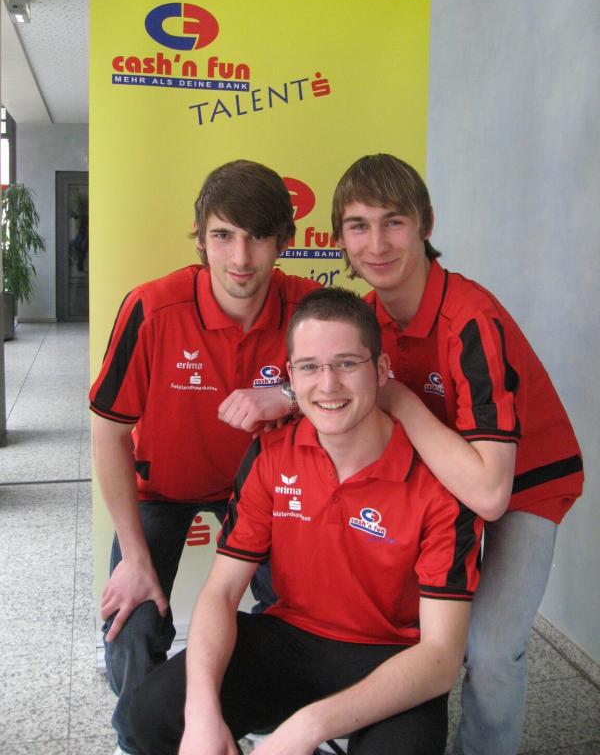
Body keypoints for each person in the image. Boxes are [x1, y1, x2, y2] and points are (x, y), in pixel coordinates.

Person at [128, 287, 483, 755]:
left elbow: (440, 657)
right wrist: (200, 712)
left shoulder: (439, 483)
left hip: (391, 655)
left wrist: (307, 727)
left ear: (381, 370)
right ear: (291, 376)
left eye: (347, 363)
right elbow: (221, 593)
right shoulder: (271, 456)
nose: (328, 385)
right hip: (288, 638)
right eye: (310, 367)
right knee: (148, 716)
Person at [330, 154, 584, 755]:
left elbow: (492, 494)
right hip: (443, 479)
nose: (376, 244)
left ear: (426, 224)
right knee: (387, 620)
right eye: (359, 225)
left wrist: (398, 399)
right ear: (339, 238)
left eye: (394, 222)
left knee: (490, 649)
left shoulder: (470, 317)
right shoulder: (365, 318)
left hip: (525, 485)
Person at [89, 160, 318, 755]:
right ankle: (146, 738)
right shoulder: (152, 307)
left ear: (285, 240)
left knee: (303, 615)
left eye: (258, 237)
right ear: (199, 238)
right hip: (164, 490)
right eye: (223, 236)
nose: (240, 257)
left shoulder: (312, 309)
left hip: (267, 492)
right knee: (132, 621)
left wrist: (289, 394)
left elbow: (368, 382)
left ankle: (267, 720)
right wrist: (133, 557)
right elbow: (108, 432)